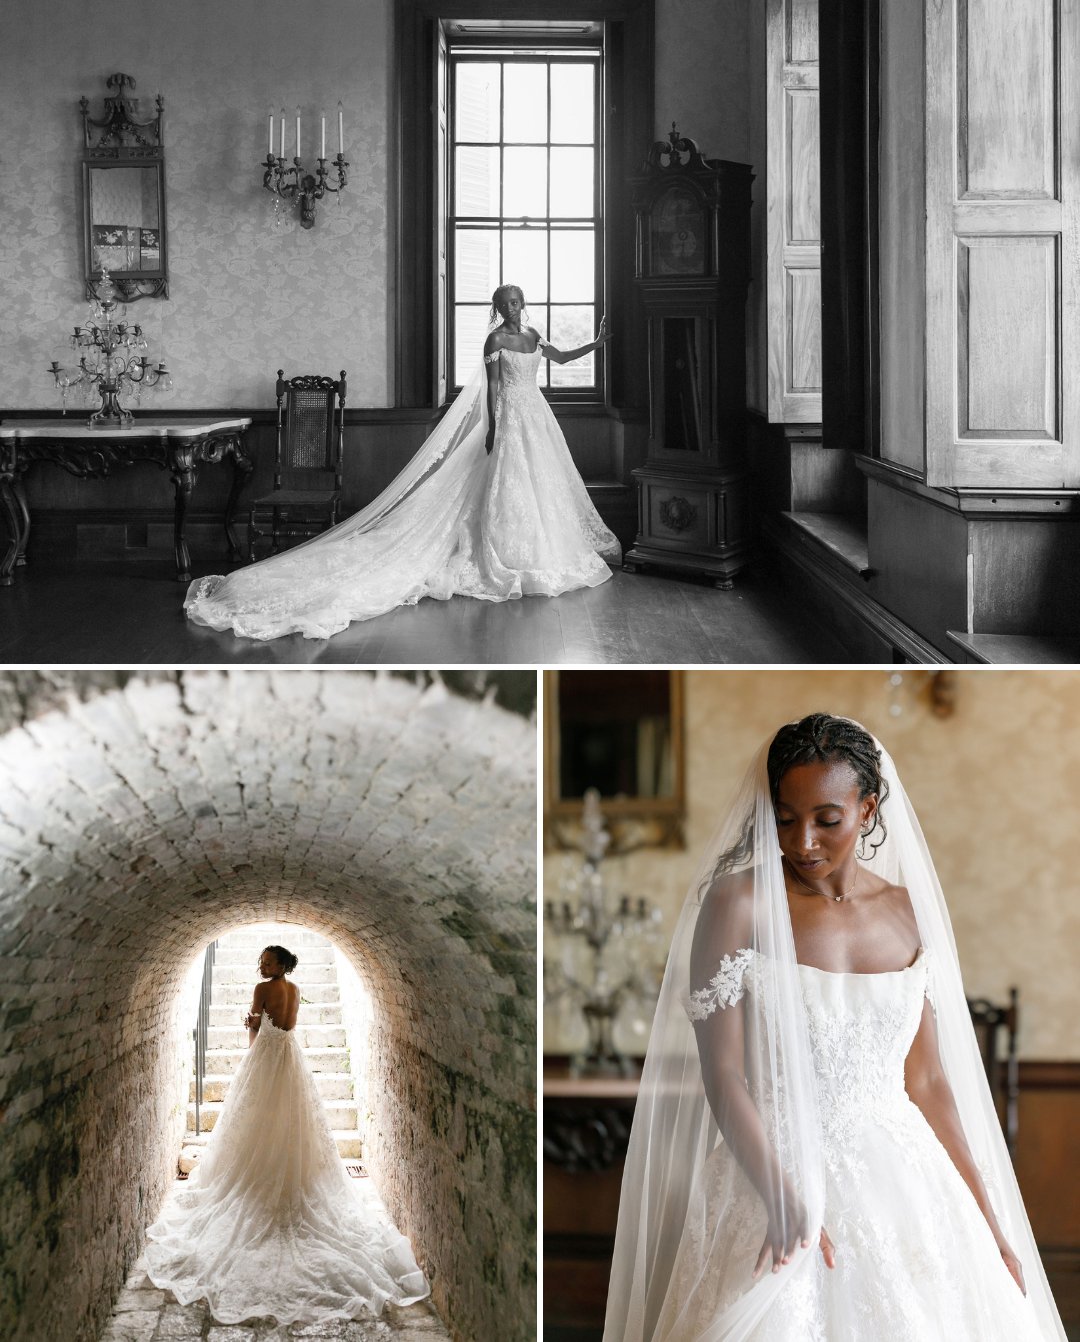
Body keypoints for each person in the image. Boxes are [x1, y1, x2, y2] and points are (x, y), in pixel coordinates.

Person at [604, 714, 1066, 1341]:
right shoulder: (736, 904)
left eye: (827, 819)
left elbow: (928, 1082)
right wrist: (780, 1193)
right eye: (786, 818)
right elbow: (723, 1073)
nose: (802, 843)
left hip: (905, 1180)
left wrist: (991, 1225)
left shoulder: (908, 913)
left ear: (868, 808)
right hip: (771, 1167)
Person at [183, 284, 619, 640]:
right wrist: (492, 429)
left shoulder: (534, 337)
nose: (512, 308)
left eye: (517, 301)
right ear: (497, 309)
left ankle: (537, 554)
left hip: (537, 419)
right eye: (505, 303)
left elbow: (559, 359)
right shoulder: (495, 340)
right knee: (506, 484)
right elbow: (490, 389)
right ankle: (502, 553)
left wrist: (596, 344)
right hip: (508, 418)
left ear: (524, 304)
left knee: (541, 485)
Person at [144, 944, 429, 1326]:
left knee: (258, 1112)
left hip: (266, 1055)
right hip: (291, 1056)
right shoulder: (294, 990)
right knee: (291, 1115)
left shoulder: (262, 990)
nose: (261, 965)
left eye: (266, 961)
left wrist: (249, 1037)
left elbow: (259, 1027)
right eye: (260, 960)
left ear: (280, 965)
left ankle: (257, 1177)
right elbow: (289, 1026)